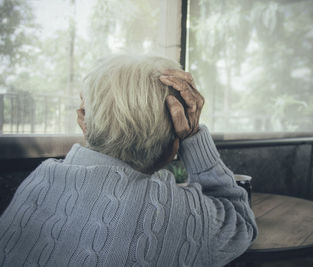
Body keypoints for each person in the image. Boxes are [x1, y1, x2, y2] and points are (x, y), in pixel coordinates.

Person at [0, 54, 257, 267]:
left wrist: (93, 134)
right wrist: (194, 137)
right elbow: (241, 223)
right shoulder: (181, 213)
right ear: (175, 137)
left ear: (85, 120)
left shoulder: (40, 181)